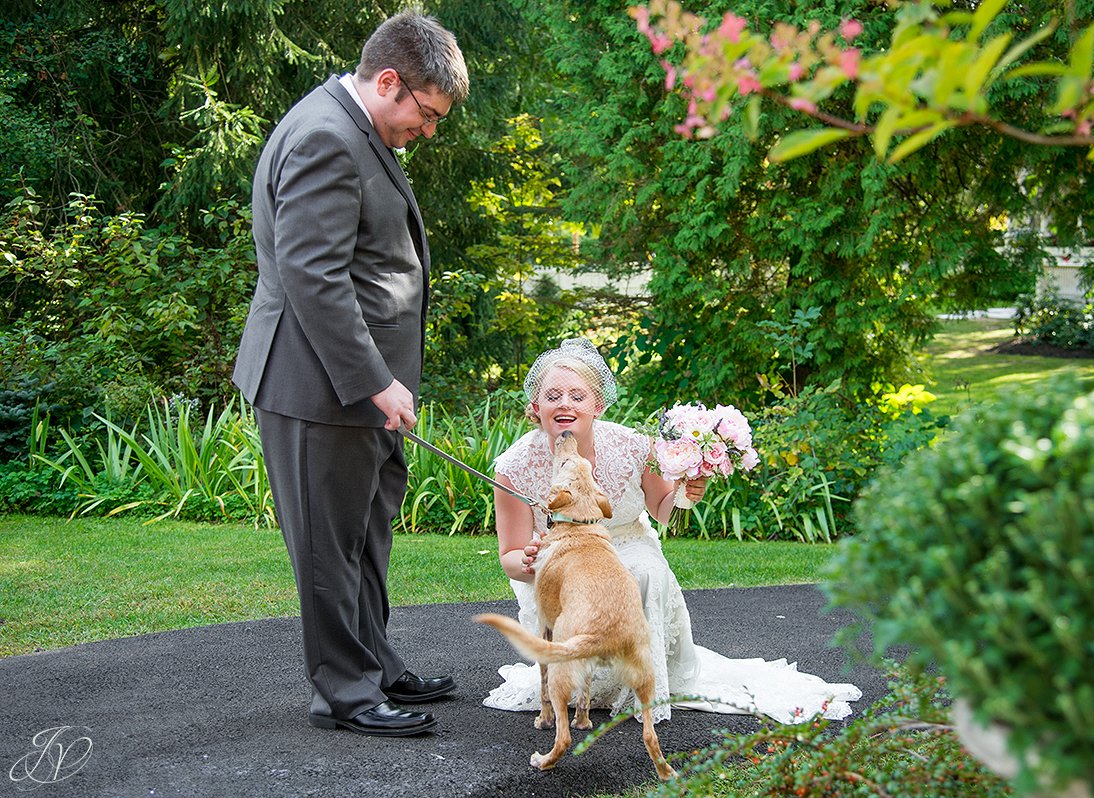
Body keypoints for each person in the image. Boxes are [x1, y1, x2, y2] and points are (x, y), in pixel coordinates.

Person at [232, 10, 469, 737]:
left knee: (367, 534)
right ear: (390, 81)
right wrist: (374, 378)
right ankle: (345, 693)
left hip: (360, 392)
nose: (427, 132)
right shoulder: (327, 138)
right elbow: (313, 276)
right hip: (320, 389)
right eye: (426, 114)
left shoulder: (352, 124)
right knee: (328, 545)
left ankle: (373, 660)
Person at [484, 338, 862, 724]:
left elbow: (663, 511)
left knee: (642, 571)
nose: (564, 403)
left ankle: (642, 687)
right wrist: (530, 562)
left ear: (597, 405)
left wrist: (686, 492)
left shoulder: (633, 446)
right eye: (553, 395)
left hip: (625, 542)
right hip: (563, 559)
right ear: (536, 407)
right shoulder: (514, 466)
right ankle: (582, 681)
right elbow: (510, 556)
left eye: (577, 395)